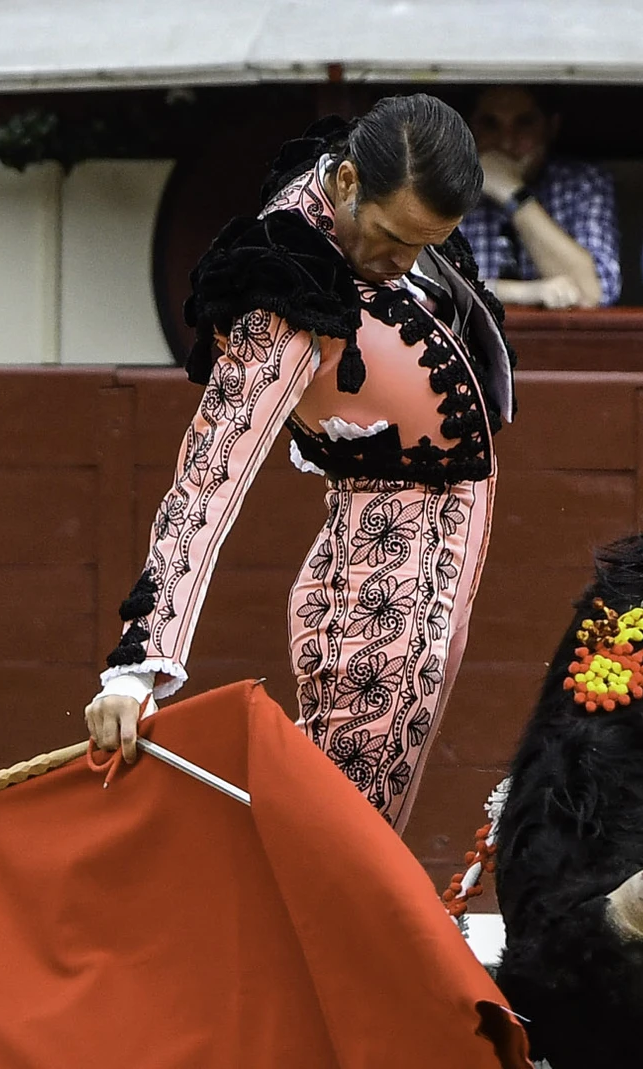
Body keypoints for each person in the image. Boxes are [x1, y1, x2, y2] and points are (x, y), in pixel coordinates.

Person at [83, 95, 513, 832]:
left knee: (347, 823)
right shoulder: (283, 295)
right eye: (390, 238)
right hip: (382, 569)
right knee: (349, 830)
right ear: (346, 182)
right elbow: (207, 480)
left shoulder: (374, 188)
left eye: (426, 244)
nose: (402, 264)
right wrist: (137, 666)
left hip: (407, 553)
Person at [458, 85, 620, 309]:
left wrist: (514, 194)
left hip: (558, 343)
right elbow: (426, 286)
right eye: (490, 124)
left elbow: (590, 295)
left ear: (550, 127)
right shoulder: (444, 187)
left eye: (524, 123)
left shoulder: (581, 182)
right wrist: (525, 293)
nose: (507, 142)